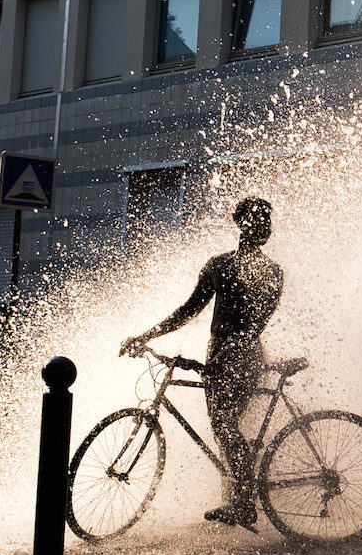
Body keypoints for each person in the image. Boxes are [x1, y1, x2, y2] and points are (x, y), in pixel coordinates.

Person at [121, 197, 283, 529]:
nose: (263, 226)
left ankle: (242, 501)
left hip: (245, 356)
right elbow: (189, 309)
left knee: (225, 426)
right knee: (225, 428)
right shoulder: (218, 266)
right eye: (257, 220)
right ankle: (236, 496)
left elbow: (257, 325)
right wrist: (147, 335)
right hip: (219, 356)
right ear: (241, 224)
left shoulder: (272, 272)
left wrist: (232, 349)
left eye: (266, 220)